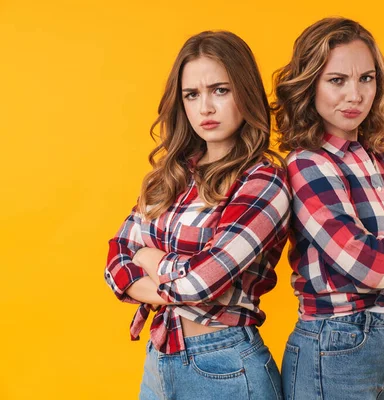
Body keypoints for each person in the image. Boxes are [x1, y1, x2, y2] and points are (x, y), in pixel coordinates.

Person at [104, 30, 290, 400]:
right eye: (193, 94)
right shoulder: (172, 175)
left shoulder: (262, 181)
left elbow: (203, 282)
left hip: (227, 367)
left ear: (245, 92)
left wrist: (149, 257)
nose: (205, 107)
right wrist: (163, 271)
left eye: (220, 90)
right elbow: (115, 262)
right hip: (160, 360)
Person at [271, 17, 384, 399]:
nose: (355, 95)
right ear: (309, 84)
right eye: (337, 80)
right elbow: (364, 262)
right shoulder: (308, 164)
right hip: (334, 346)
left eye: (366, 78)